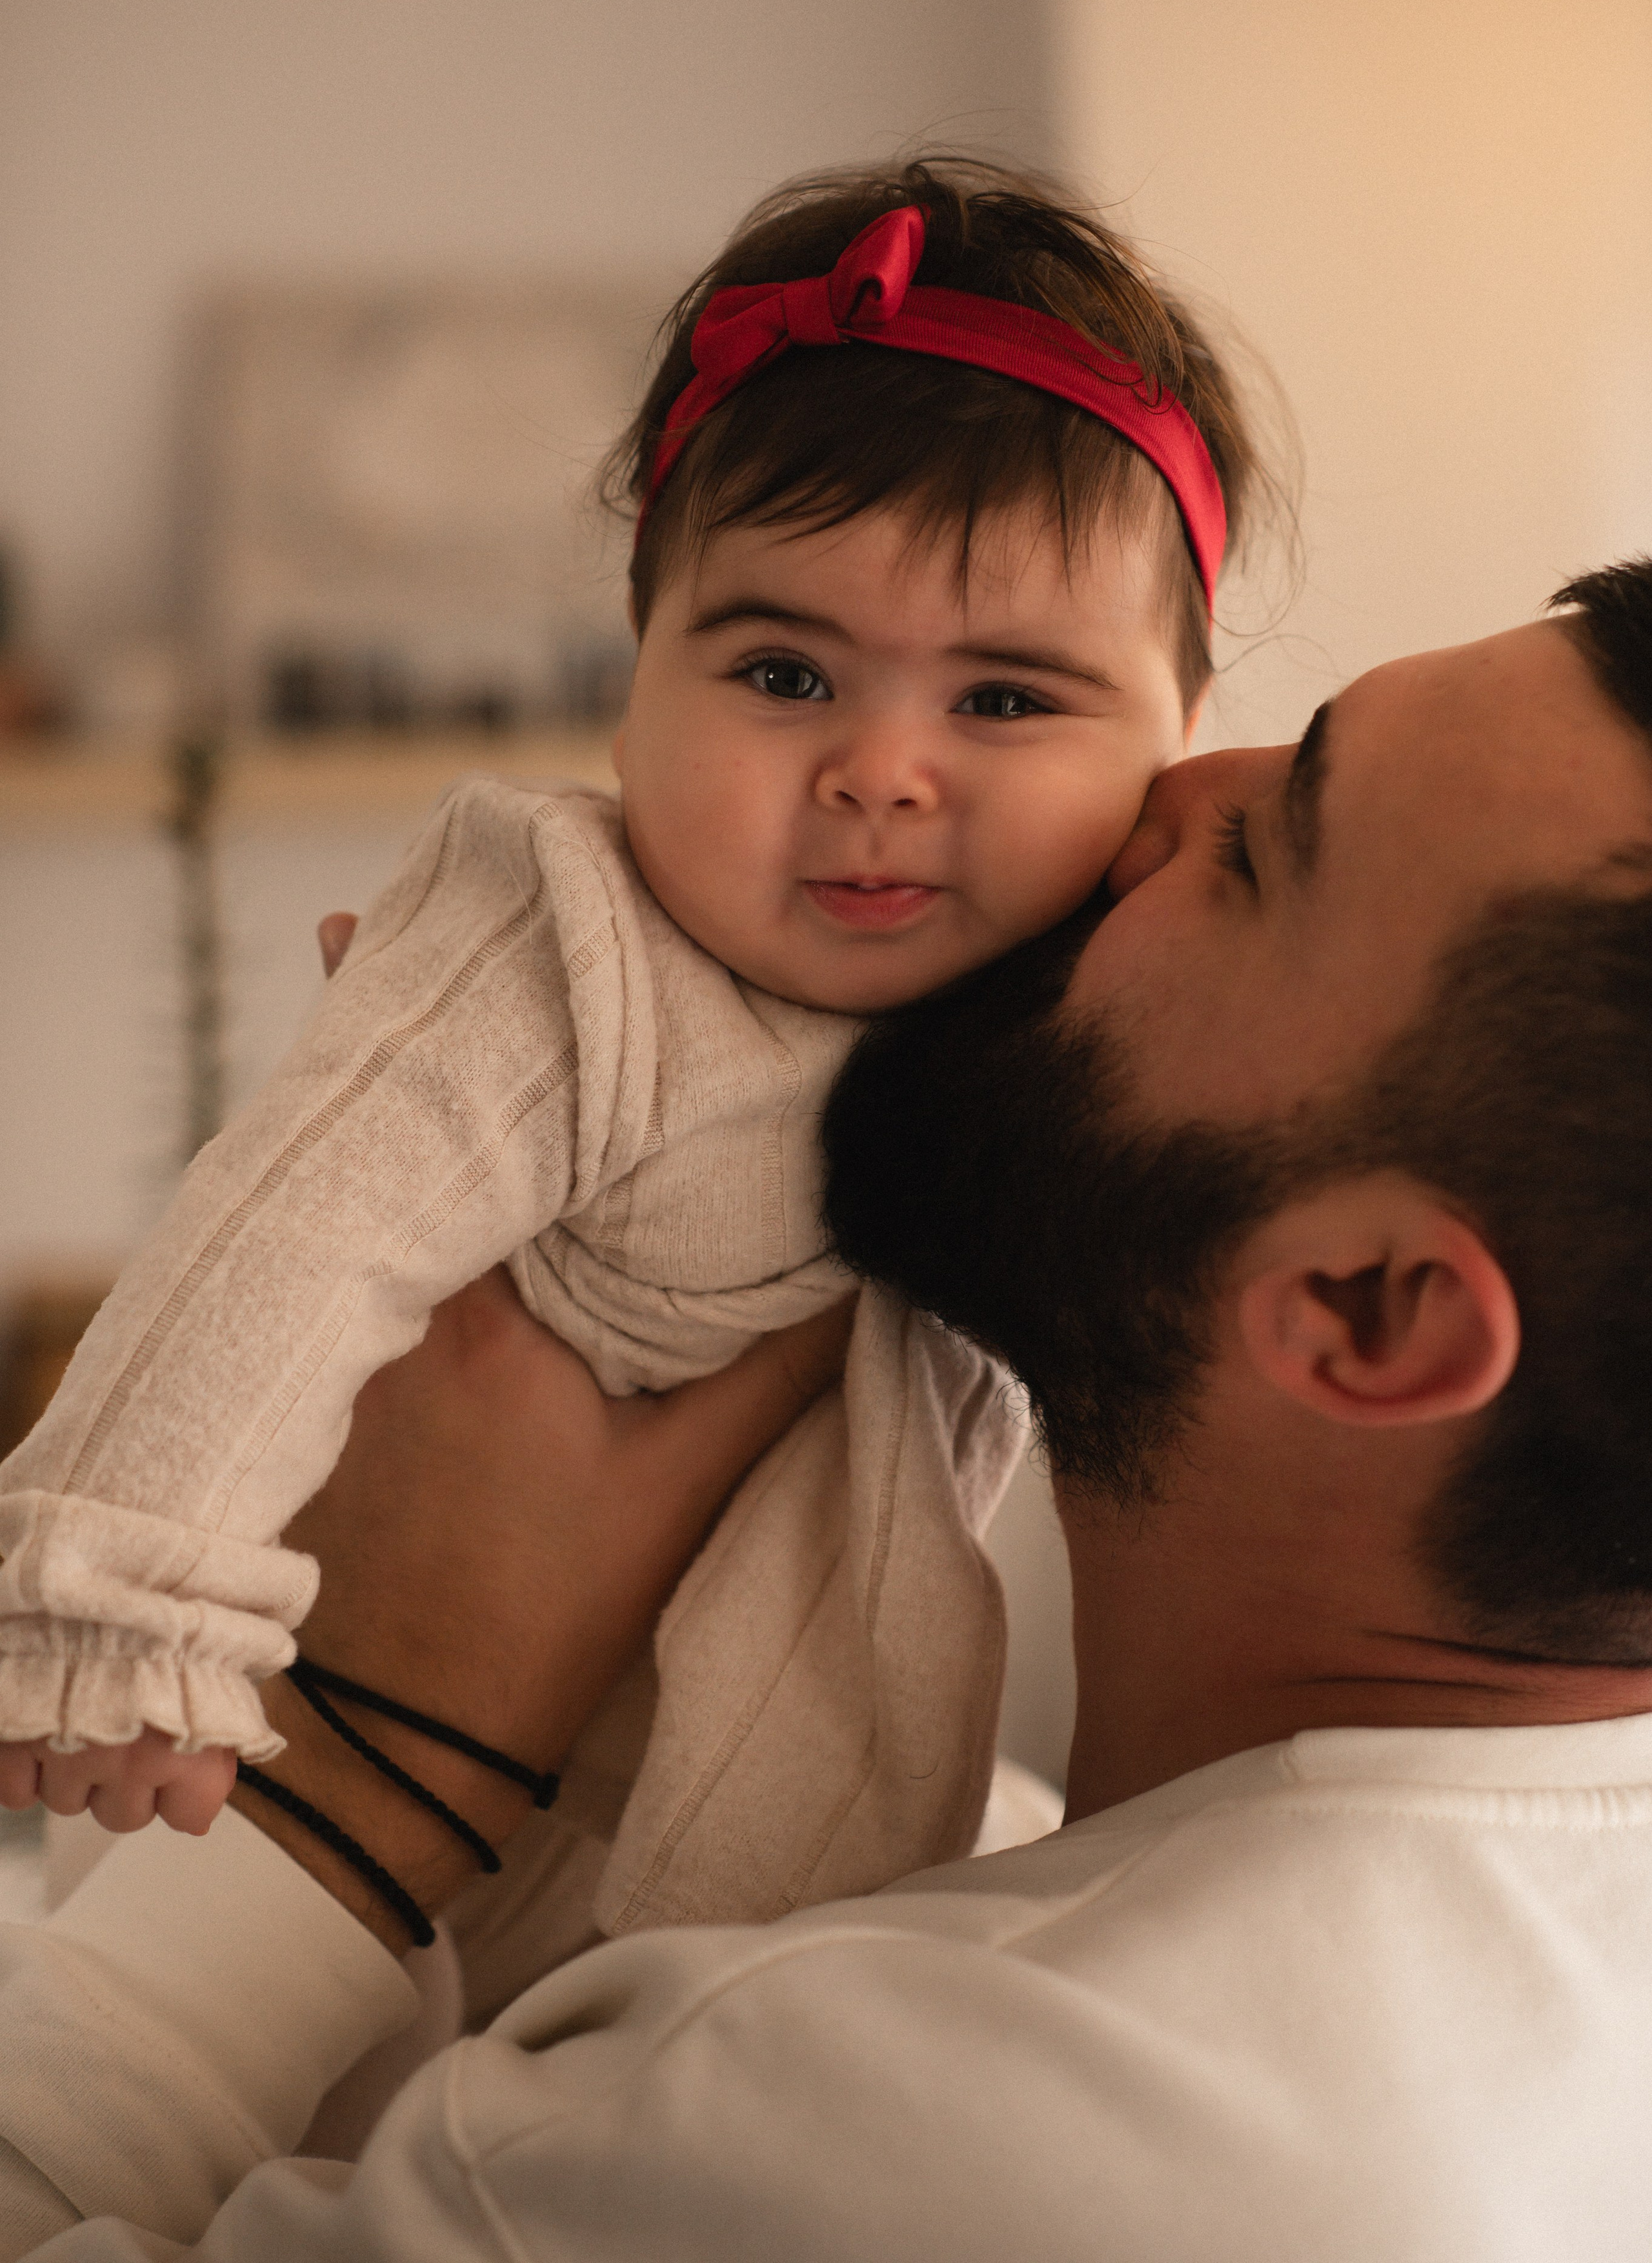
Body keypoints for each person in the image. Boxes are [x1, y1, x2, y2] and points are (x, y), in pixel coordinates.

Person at [2, 560, 1651, 2258]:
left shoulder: (922, 2126)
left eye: (1262, 851)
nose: (1159, 797)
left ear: (1366, 1314)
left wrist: (360, 1774)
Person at [0, 158, 1259, 1964]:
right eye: (782, 674)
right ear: (637, 669)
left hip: (770, 1870)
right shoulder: (560, 942)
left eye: (1001, 700)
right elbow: (281, 1244)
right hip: (338, 1843)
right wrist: (118, 1607)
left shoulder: (1067, 1025)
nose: (881, 772)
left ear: (1184, 745)